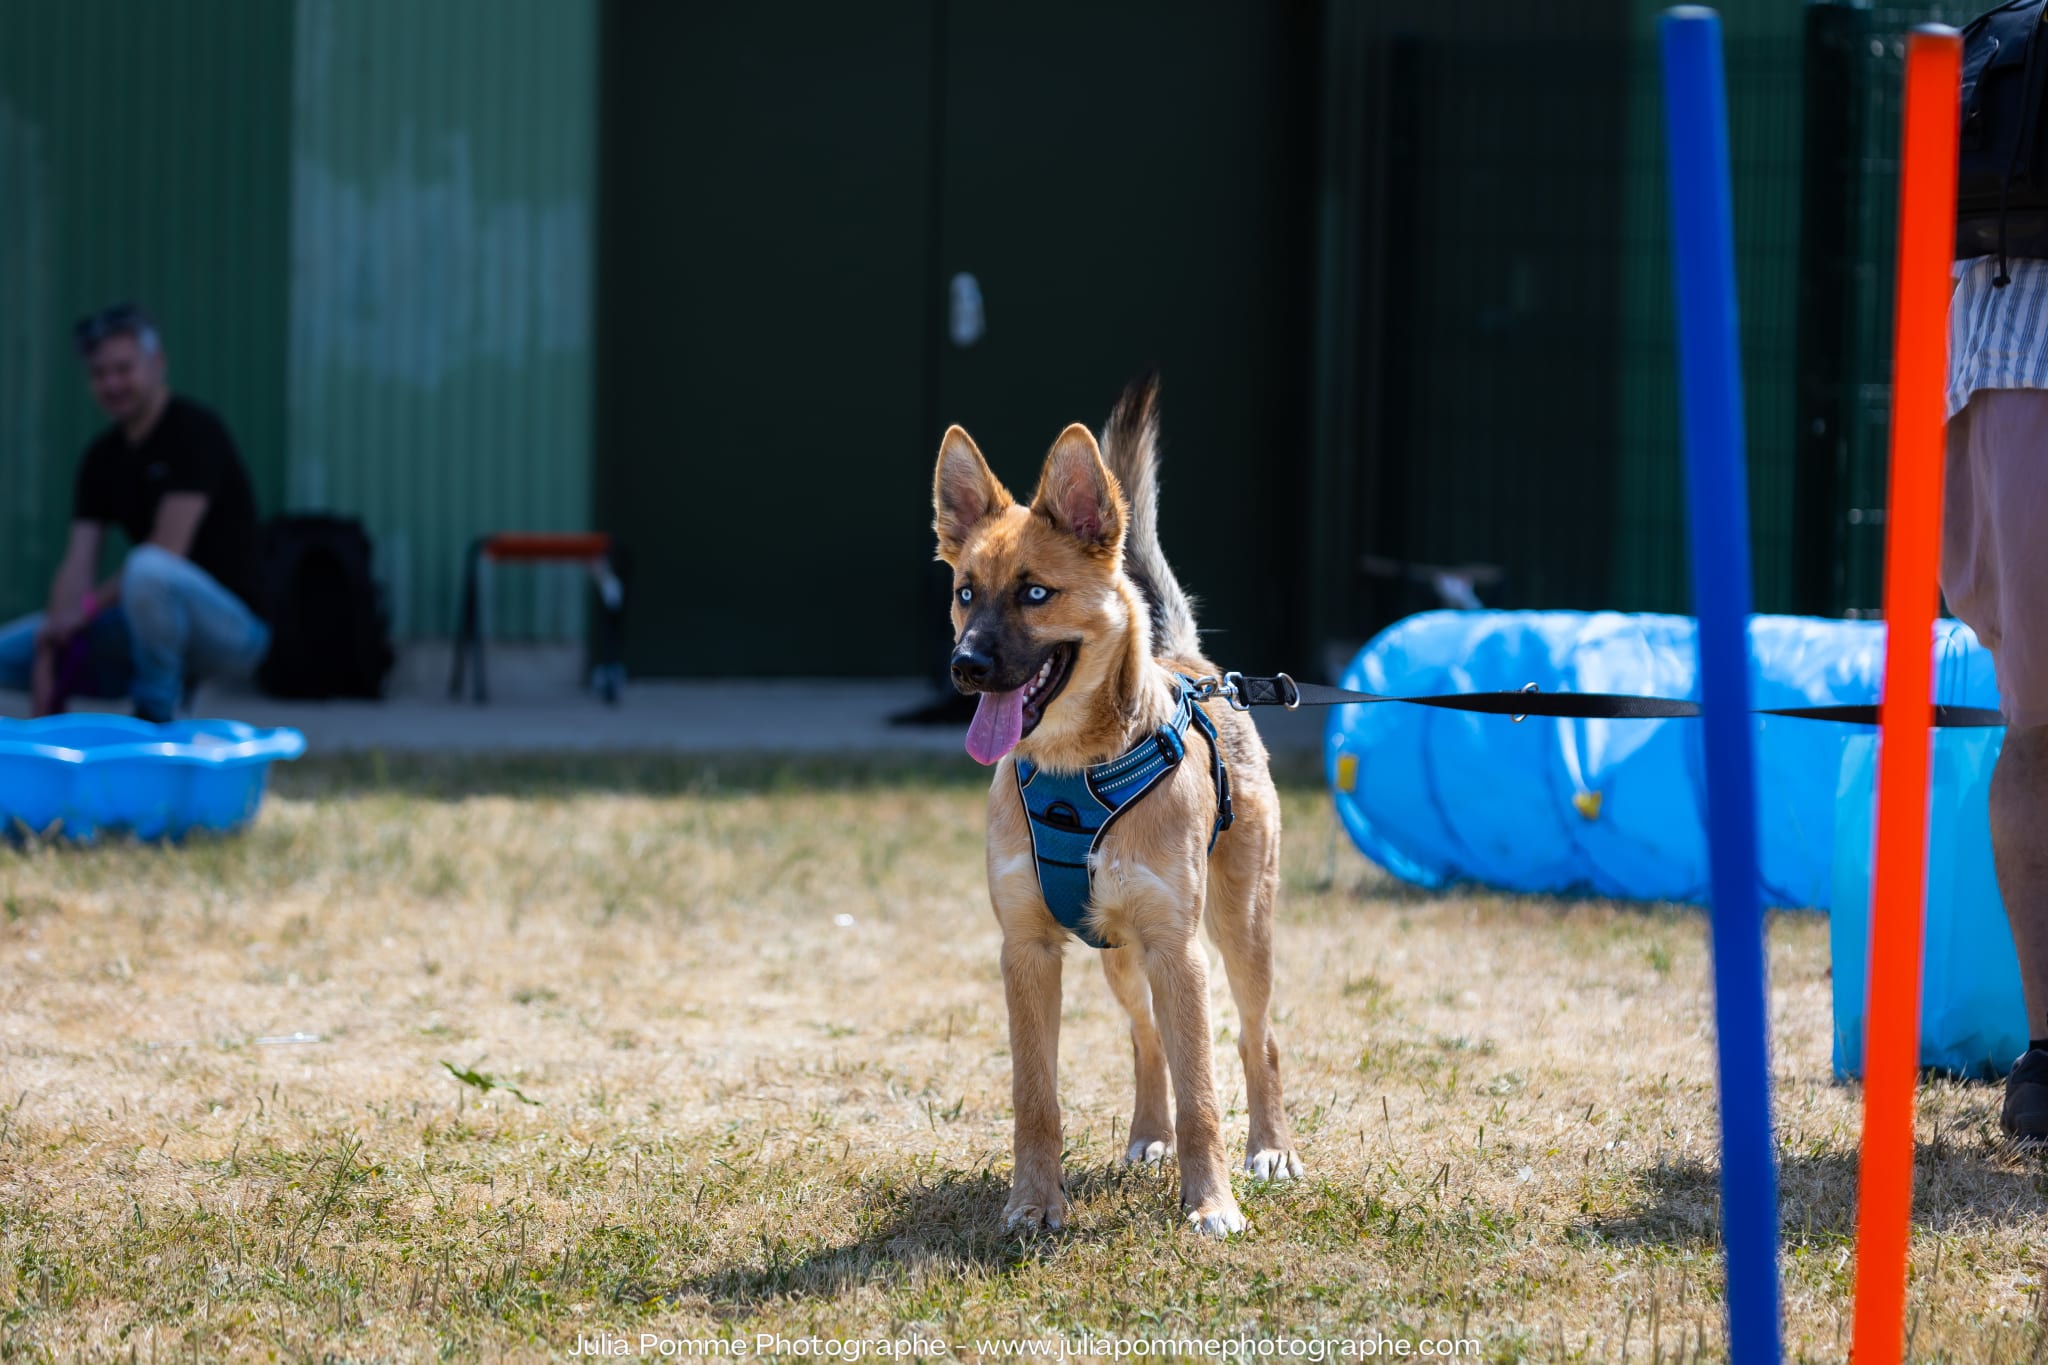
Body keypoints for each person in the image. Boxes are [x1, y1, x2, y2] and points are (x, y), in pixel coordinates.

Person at [0, 305, 268, 722]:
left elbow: (166, 551)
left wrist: (85, 611)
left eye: (123, 369)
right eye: (99, 374)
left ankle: (156, 715)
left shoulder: (197, 432)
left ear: (157, 364)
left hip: (231, 630)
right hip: (141, 627)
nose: (112, 384)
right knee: (16, 647)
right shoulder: (101, 457)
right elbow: (78, 564)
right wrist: (52, 642)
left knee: (148, 569)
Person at [1945, 256, 2048, 1142]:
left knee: (2037, 727)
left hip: (2007, 346)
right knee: (2037, 727)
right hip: (2022, 343)